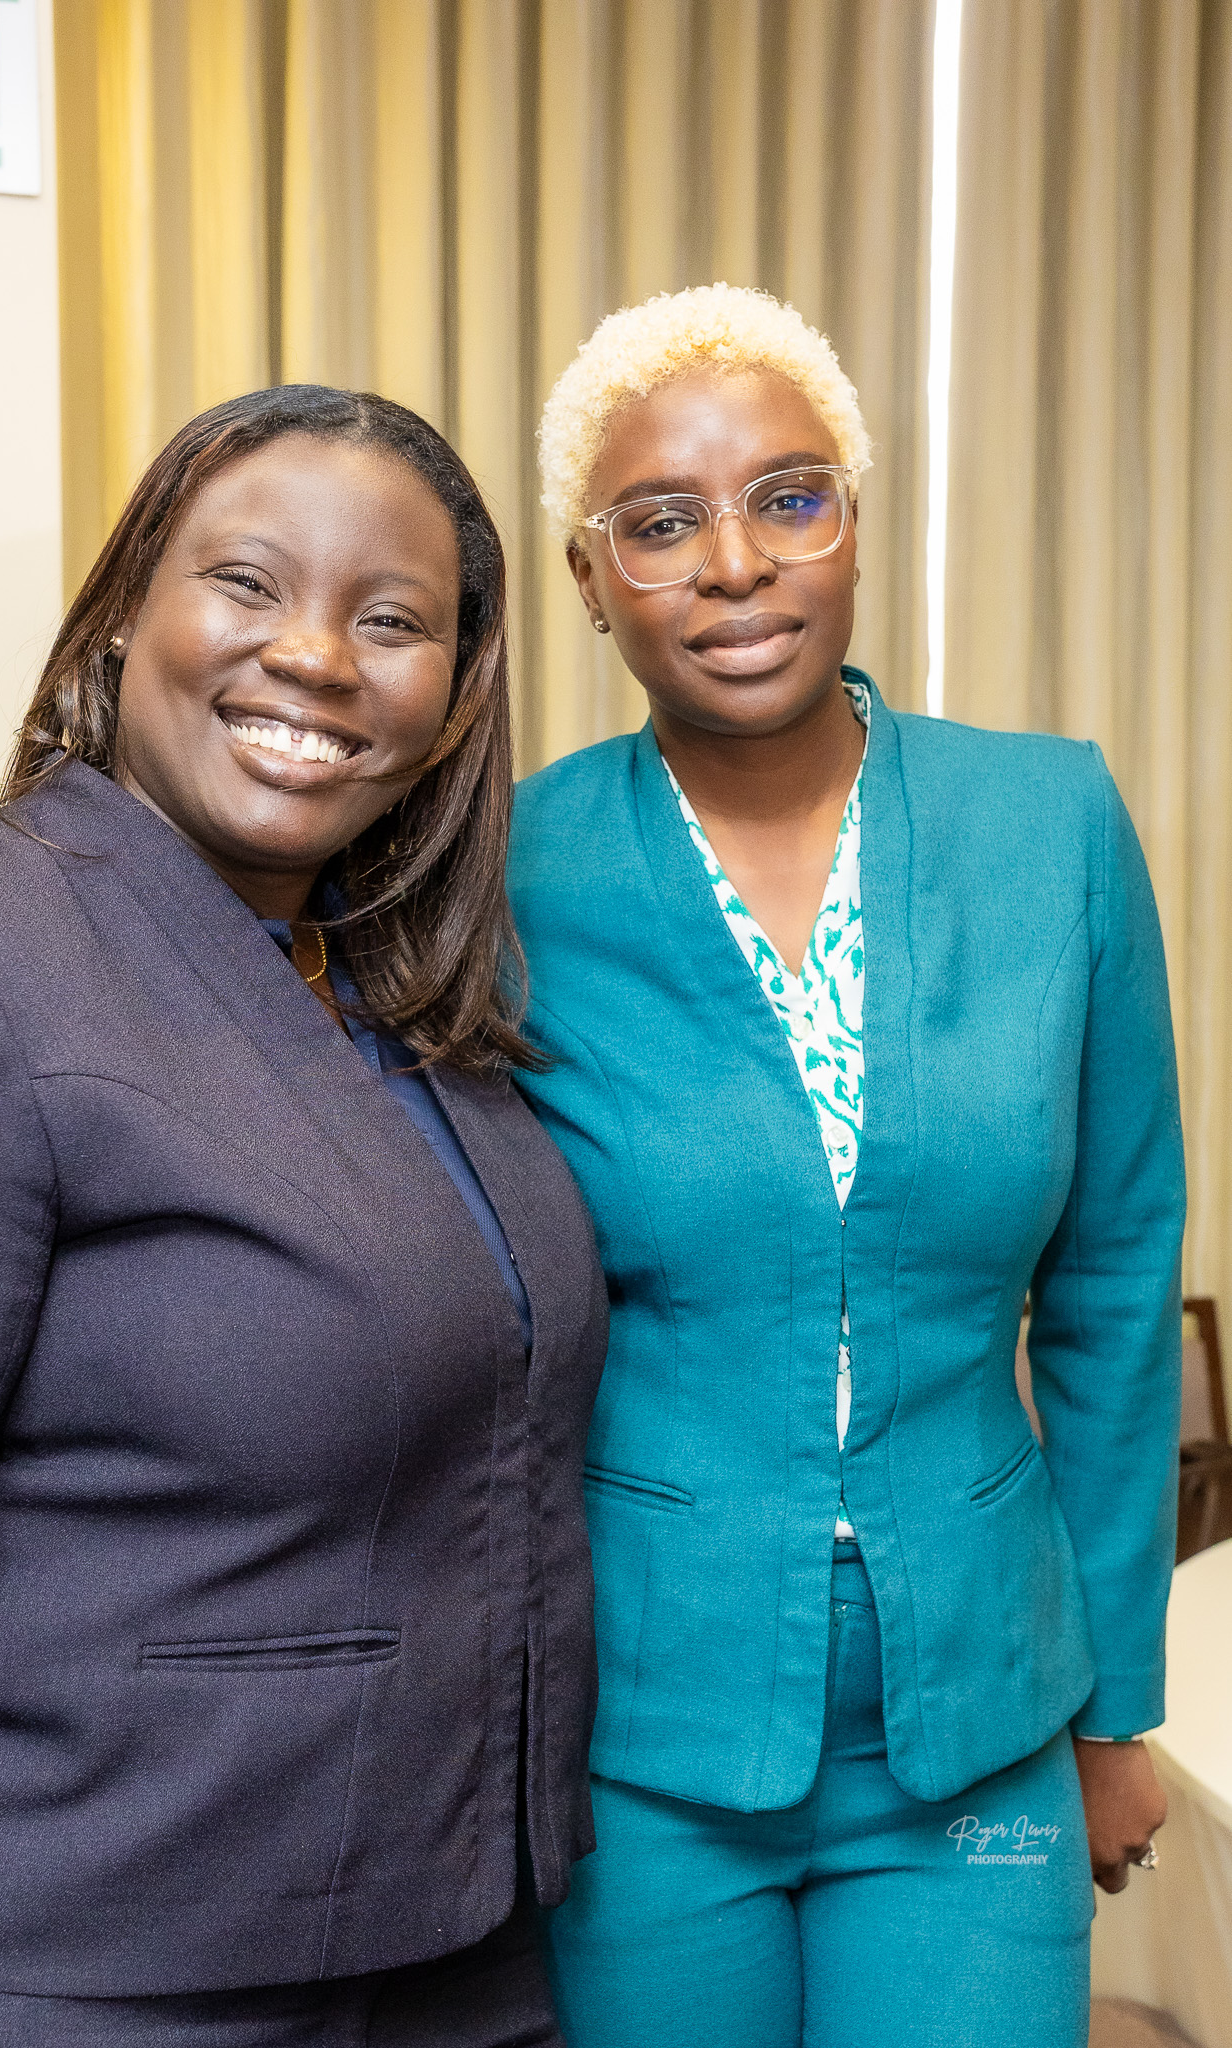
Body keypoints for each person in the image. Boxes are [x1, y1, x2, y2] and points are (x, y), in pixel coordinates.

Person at [0, 385, 607, 2048]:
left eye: (392, 620)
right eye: (247, 584)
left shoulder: (399, 991)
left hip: (457, 1942)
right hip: (110, 1974)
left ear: (456, 694)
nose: (317, 656)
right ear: (125, 613)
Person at [506, 285, 1184, 2048]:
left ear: (855, 526)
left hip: (982, 1718)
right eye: (659, 522)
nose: (734, 563)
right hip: (642, 1727)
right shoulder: (508, 872)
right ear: (589, 578)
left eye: (789, 498)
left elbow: (1114, 1285)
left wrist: (1115, 1711)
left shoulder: (1049, 825)